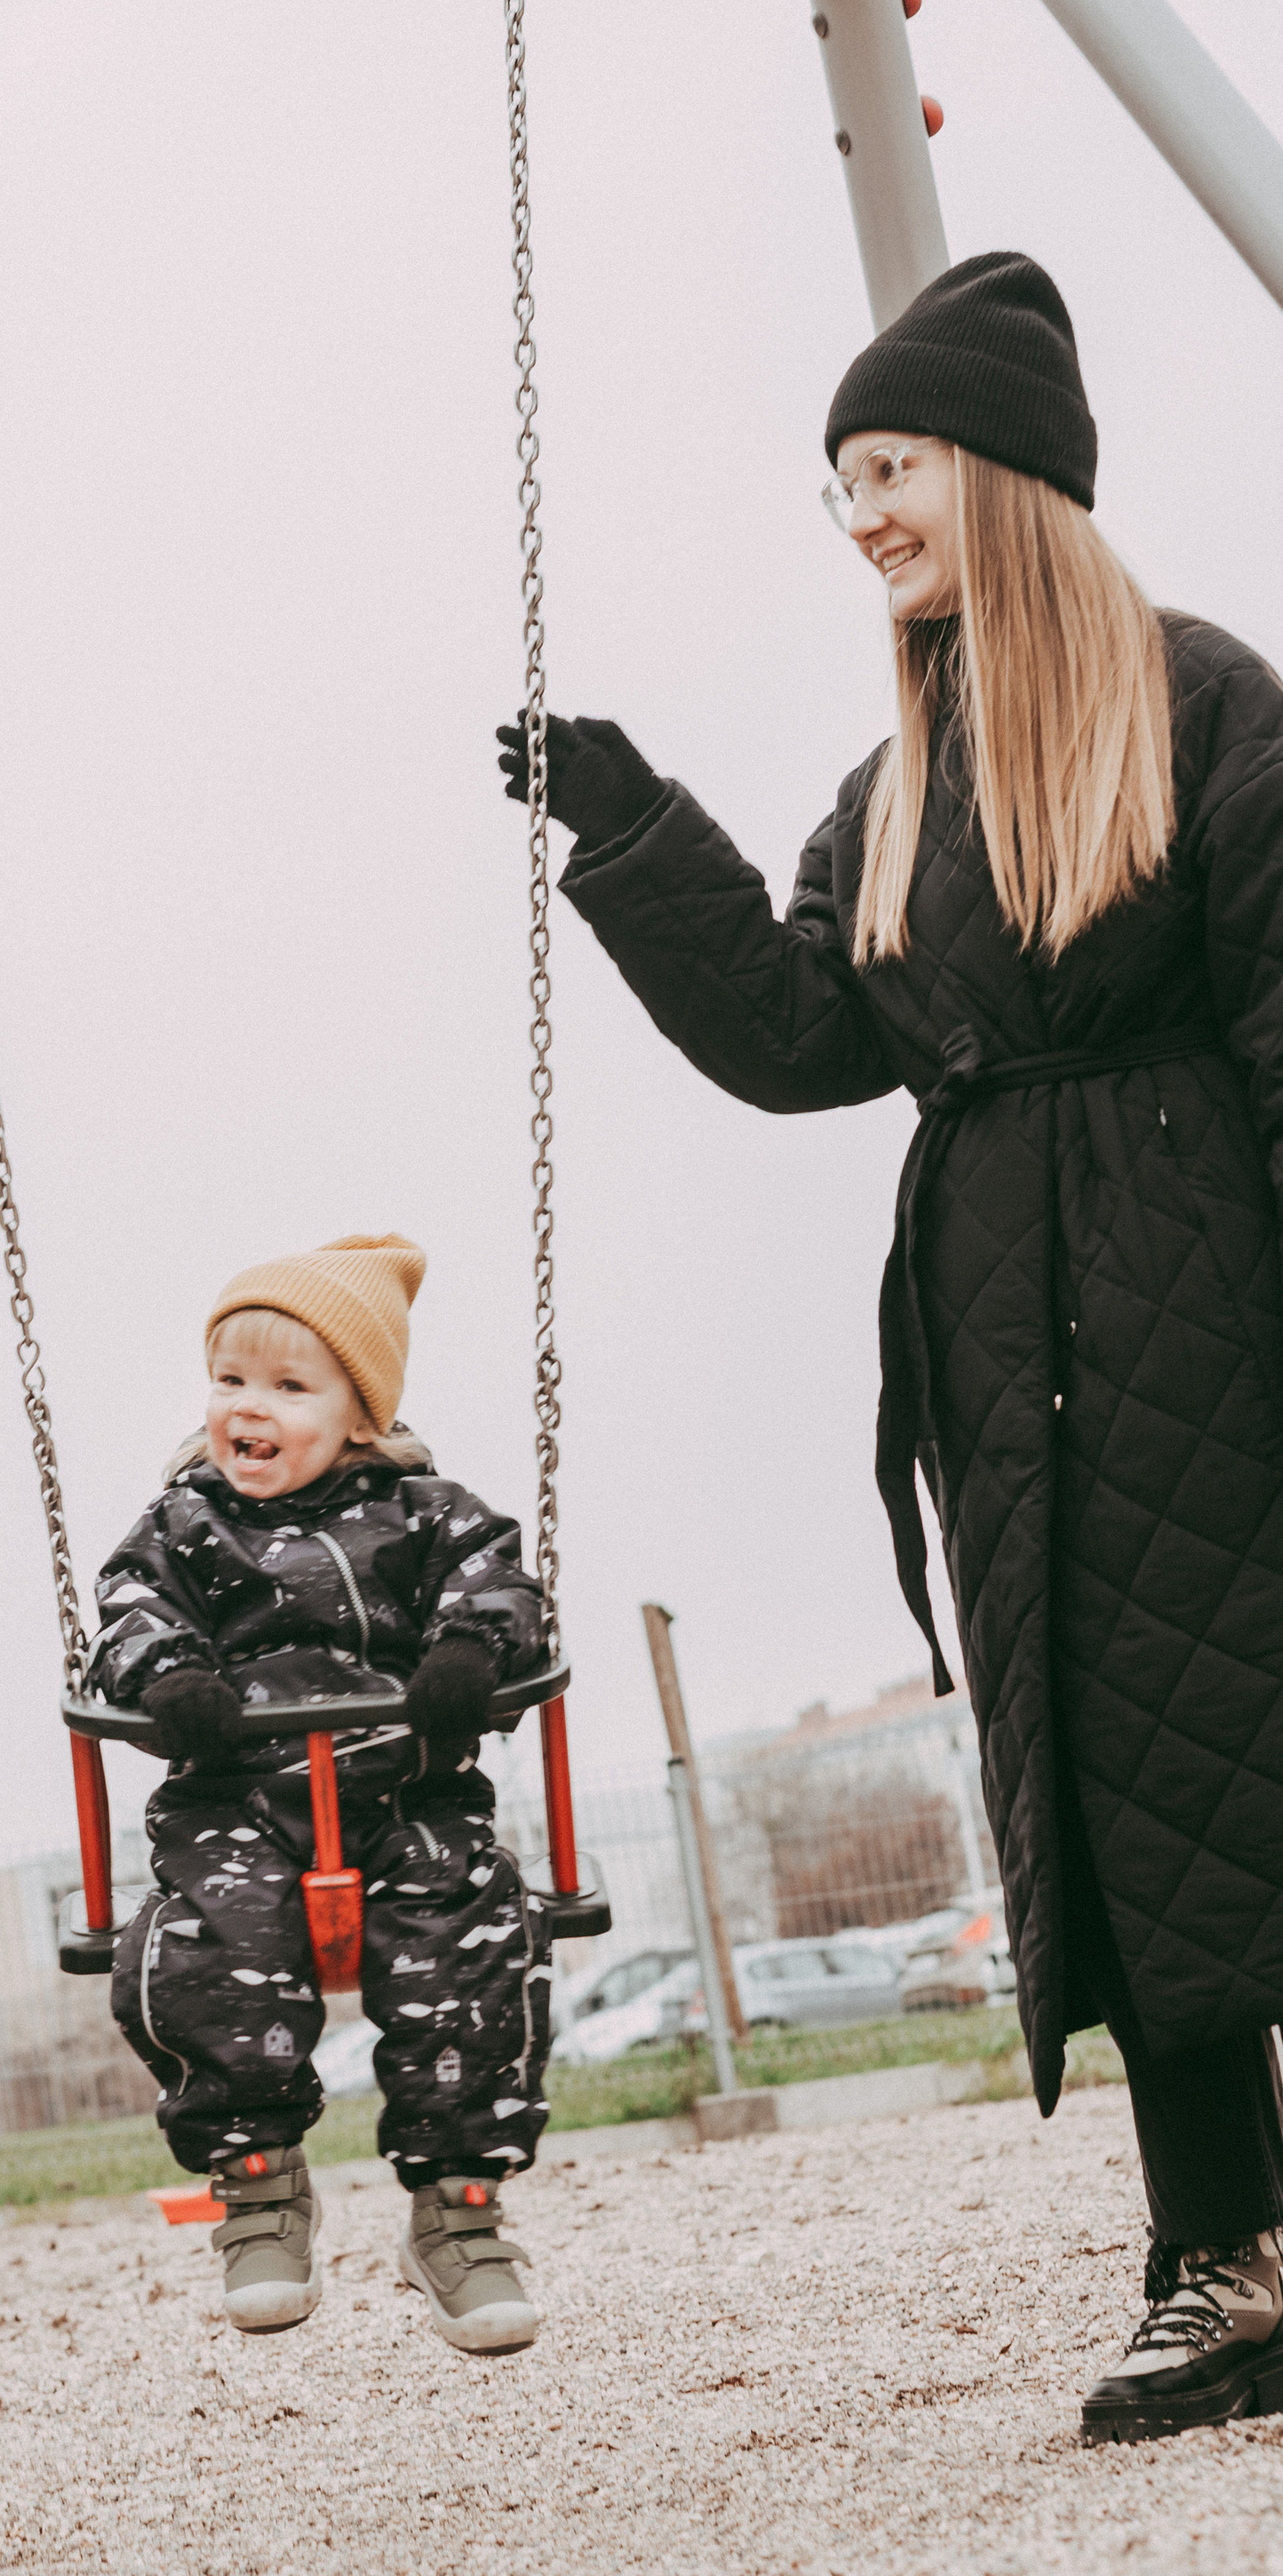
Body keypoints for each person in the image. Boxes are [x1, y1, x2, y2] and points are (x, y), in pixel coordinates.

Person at [496, 251, 1283, 2444]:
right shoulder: (897, 777)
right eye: (836, 477)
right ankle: (1218, 2249)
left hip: (1203, 1291)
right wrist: (626, 823)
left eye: (885, 462)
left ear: (1001, 468)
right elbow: (795, 1034)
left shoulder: (1201, 701)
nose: (854, 509)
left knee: (1250, 1747)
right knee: (1128, 1807)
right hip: (999, 1348)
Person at [88, 1232, 551, 2353]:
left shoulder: (425, 1511)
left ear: (359, 1415)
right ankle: (257, 2188)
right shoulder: (180, 1527)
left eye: (288, 1386)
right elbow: (127, 1613)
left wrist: (466, 1656)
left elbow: (501, 1582)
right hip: (237, 1806)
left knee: (474, 1938)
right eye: (229, 1378)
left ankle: (459, 2213)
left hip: (407, 1802)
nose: (247, 1406)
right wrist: (172, 1677)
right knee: (201, 1947)